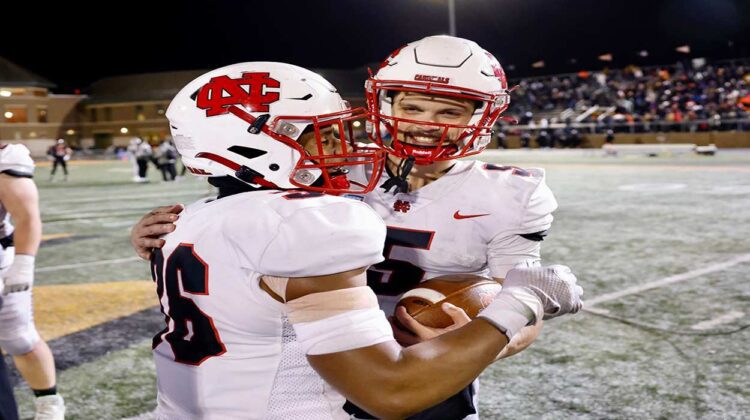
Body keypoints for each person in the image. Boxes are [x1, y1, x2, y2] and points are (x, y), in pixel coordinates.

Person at [133, 37, 577, 420]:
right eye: (413, 106)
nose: (426, 123)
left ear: (482, 116)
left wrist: (477, 341)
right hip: (319, 358)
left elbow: (515, 290)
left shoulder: (512, 193)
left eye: (448, 111)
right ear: (386, 103)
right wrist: (162, 230)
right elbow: (251, 214)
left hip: (425, 359)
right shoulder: (333, 164)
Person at [0, 143, 65, 420]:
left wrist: (23, 265)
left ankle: (48, 402)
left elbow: (26, 214)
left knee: (18, 337)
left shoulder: (5, 156)